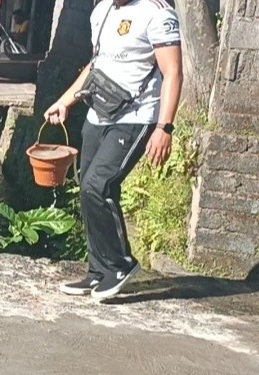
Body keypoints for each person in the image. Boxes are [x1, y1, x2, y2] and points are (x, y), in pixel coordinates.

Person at [45, 0, 183, 300]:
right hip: (99, 113)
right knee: (87, 188)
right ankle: (98, 270)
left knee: (99, 184)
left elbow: (173, 72)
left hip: (136, 117)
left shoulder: (157, 12)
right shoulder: (102, 10)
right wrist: (65, 101)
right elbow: (96, 65)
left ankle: (121, 265)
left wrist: (164, 128)